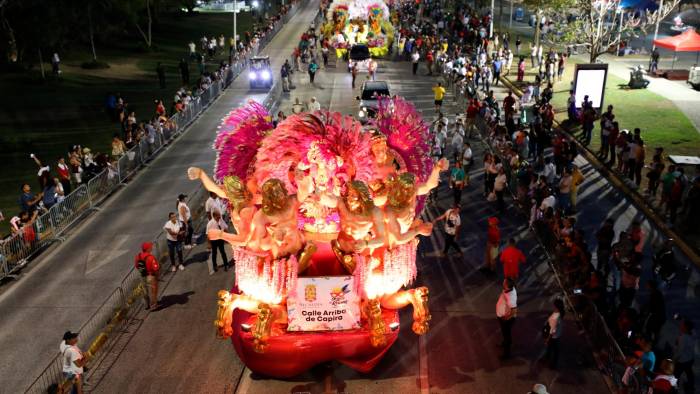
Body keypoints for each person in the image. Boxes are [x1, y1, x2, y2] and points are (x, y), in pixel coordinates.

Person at [496, 278, 518, 359]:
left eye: (504, 282)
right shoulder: (508, 289)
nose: (503, 282)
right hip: (503, 317)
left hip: (506, 319)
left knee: (506, 335)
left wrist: (506, 318)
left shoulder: (510, 297)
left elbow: (514, 310)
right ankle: (505, 343)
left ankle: (506, 354)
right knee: (505, 333)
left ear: (506, 285)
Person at [135, 242, 159, 310]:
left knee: (144, 290)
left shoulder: (138, 256)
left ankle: (146, 304)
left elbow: (137, 266)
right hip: (150, 276)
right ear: (148, 249)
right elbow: (156, 269)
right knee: (153, 291)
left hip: (142, 275)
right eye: (150, 247)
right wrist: (157, 276)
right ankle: (153, 306)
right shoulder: (151, 257)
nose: (152, 247)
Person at [673, 319, 695, 392]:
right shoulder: (690, 335)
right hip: (690, 359)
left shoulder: (683, 337)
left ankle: (674, 389)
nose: (680, 326)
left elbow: (680, 351)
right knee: (689, 373)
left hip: (682, 361)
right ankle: (691, 386)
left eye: (682, 325)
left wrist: (674, 359)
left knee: (676, 375)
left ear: (685, 328)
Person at [542, 299, 565, 368]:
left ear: (555, 306)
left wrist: (547, 339)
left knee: (555, 350)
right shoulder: (559, 313)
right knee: (551, 348)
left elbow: (552, 330)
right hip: (557, 335)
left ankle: (553, 364)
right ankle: (547, 358)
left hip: (553, 337)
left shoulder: (555, 317)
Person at [207, 210, 230, 274]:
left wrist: (228, 237)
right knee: (214, 253)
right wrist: (208, 243)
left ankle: (226, 264)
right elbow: (208, 234)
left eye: (219, 215)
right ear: (214, 216)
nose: (220, 216)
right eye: (218, 215)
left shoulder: (221, 220)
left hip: (220, 239)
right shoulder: (210, 224)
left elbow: (225, 228)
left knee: (223, 252)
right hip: (213, 240)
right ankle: (215, 266)